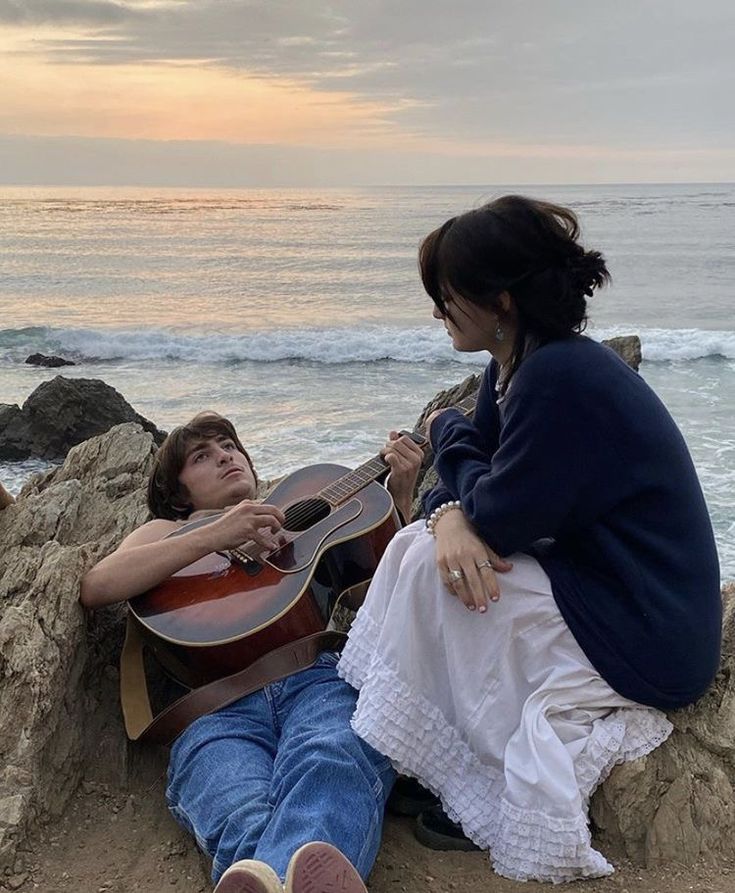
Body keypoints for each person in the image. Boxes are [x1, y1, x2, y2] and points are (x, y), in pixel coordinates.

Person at [337, 195, 722, 883]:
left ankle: (466, 781)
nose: (438, 312)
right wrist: (452, 494)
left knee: (435, 564)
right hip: (605, 585)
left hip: (649, 633)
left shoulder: (558, 377)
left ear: (501, 300)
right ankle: (439, 760)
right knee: (424, 551)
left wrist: (450, 475)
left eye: (447, 296)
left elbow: (497, 515)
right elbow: (472, 478)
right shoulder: (517, 364)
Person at [80, 411, 423, 893]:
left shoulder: (297, 524)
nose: (224, 456)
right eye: (203, 456)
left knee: (333, 755)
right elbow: (98, 585)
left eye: (229, 447)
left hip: (314, 676)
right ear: (179, 494)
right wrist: (214, 533)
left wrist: (400, 496)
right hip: (213, 703)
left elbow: (379, 601)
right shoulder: (164, 533)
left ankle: (266, 878)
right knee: (231, 797)